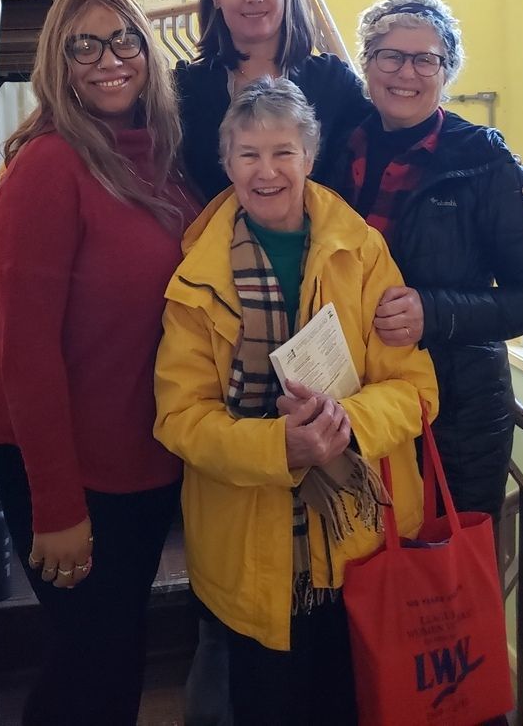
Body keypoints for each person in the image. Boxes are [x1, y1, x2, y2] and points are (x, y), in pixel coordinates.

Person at [155, 78, 439, 726]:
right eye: (249, 154)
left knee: (352, 708)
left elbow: (416, 390)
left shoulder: (362, 252)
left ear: (309, 156)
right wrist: (279, 446)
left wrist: (345, 422)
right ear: (226, 163)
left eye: (283, 152)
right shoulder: (196, 274)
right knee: (267, 706)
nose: (267, 171)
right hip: (249, 549)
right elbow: (179, 417)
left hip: (362, 541)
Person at [0, 0, 198, 726]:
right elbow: (24, 349)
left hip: (142, 449)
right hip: (66, 459)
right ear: (59, 63)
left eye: (124, 39)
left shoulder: (163, 160)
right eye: (85, 45)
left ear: (147, 52)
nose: (110, 59)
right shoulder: (48, 166)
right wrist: (57, 503)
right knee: (88, 663)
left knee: (118, 648)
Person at [345, 0, 523, 518]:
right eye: (390, 56)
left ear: (447, 72)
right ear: (367, 64)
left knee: (445, 563)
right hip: (356, 398)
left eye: (426, 59)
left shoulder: (487, 163)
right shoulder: (336, 147)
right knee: (363, 555)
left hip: (455, 419)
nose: (407, 72)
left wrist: (434, 311)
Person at [176, 0, 523, 210]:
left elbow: (404, 123)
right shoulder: (186, 90)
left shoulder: (331, 80)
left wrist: (499, 164)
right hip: (215, 261)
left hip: (324, 264)